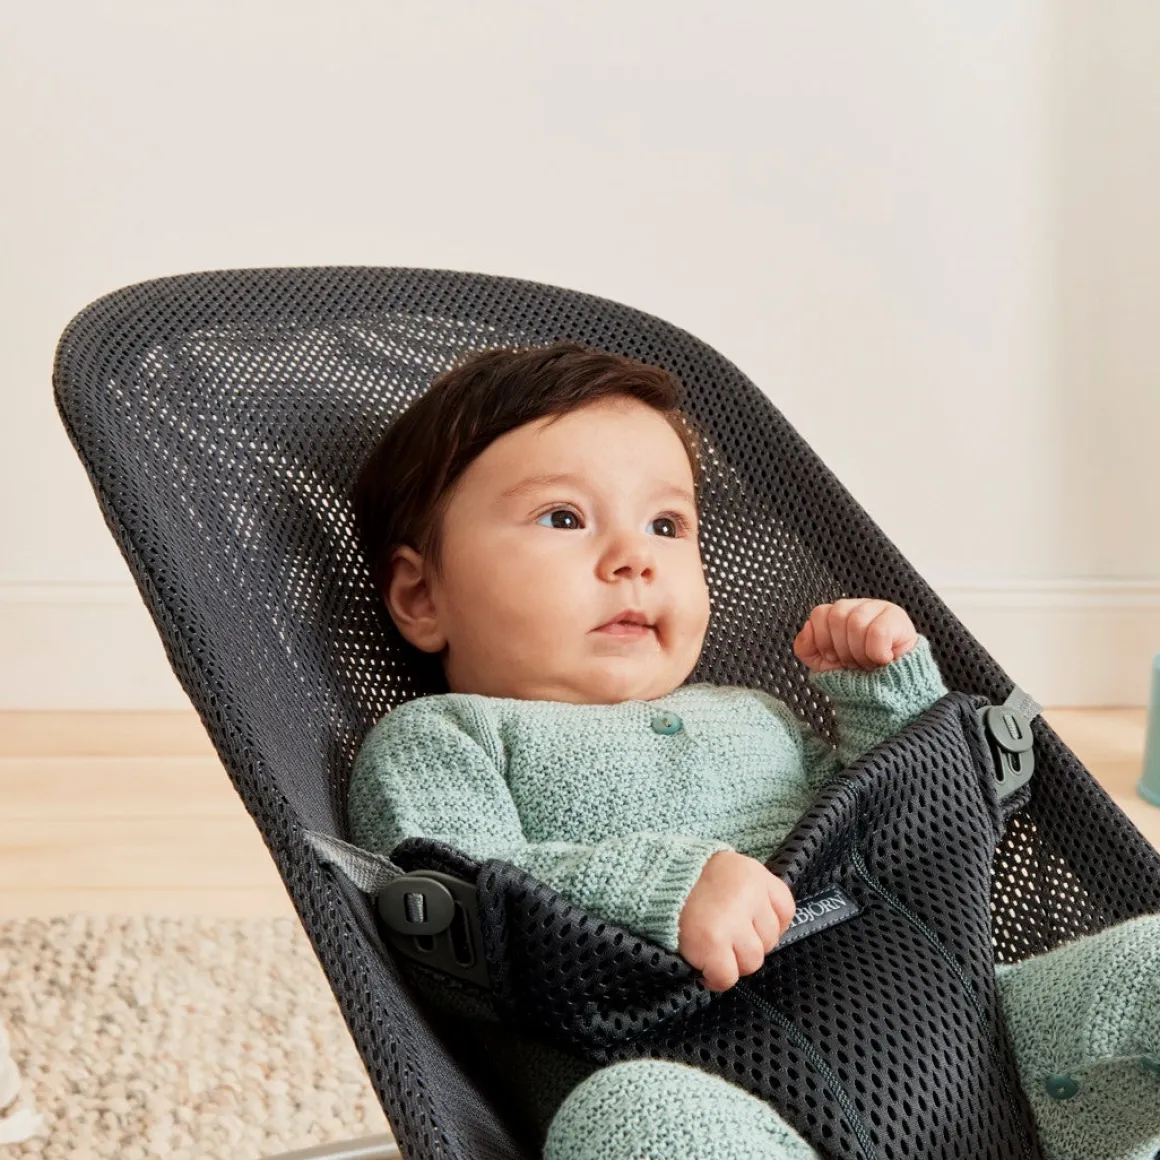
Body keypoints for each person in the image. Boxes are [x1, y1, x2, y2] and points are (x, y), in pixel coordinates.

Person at [346, 341, 1160, 1160]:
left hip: (974, 1046)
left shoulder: (755, 717)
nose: (635, 558)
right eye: (563, 517)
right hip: (709, 1085)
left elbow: (909, 844)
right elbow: (456, 911)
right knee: (631, 1122)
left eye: (666, 524)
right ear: (421, 595)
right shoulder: (443, 738)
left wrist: (885, 700)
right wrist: (661, 888)